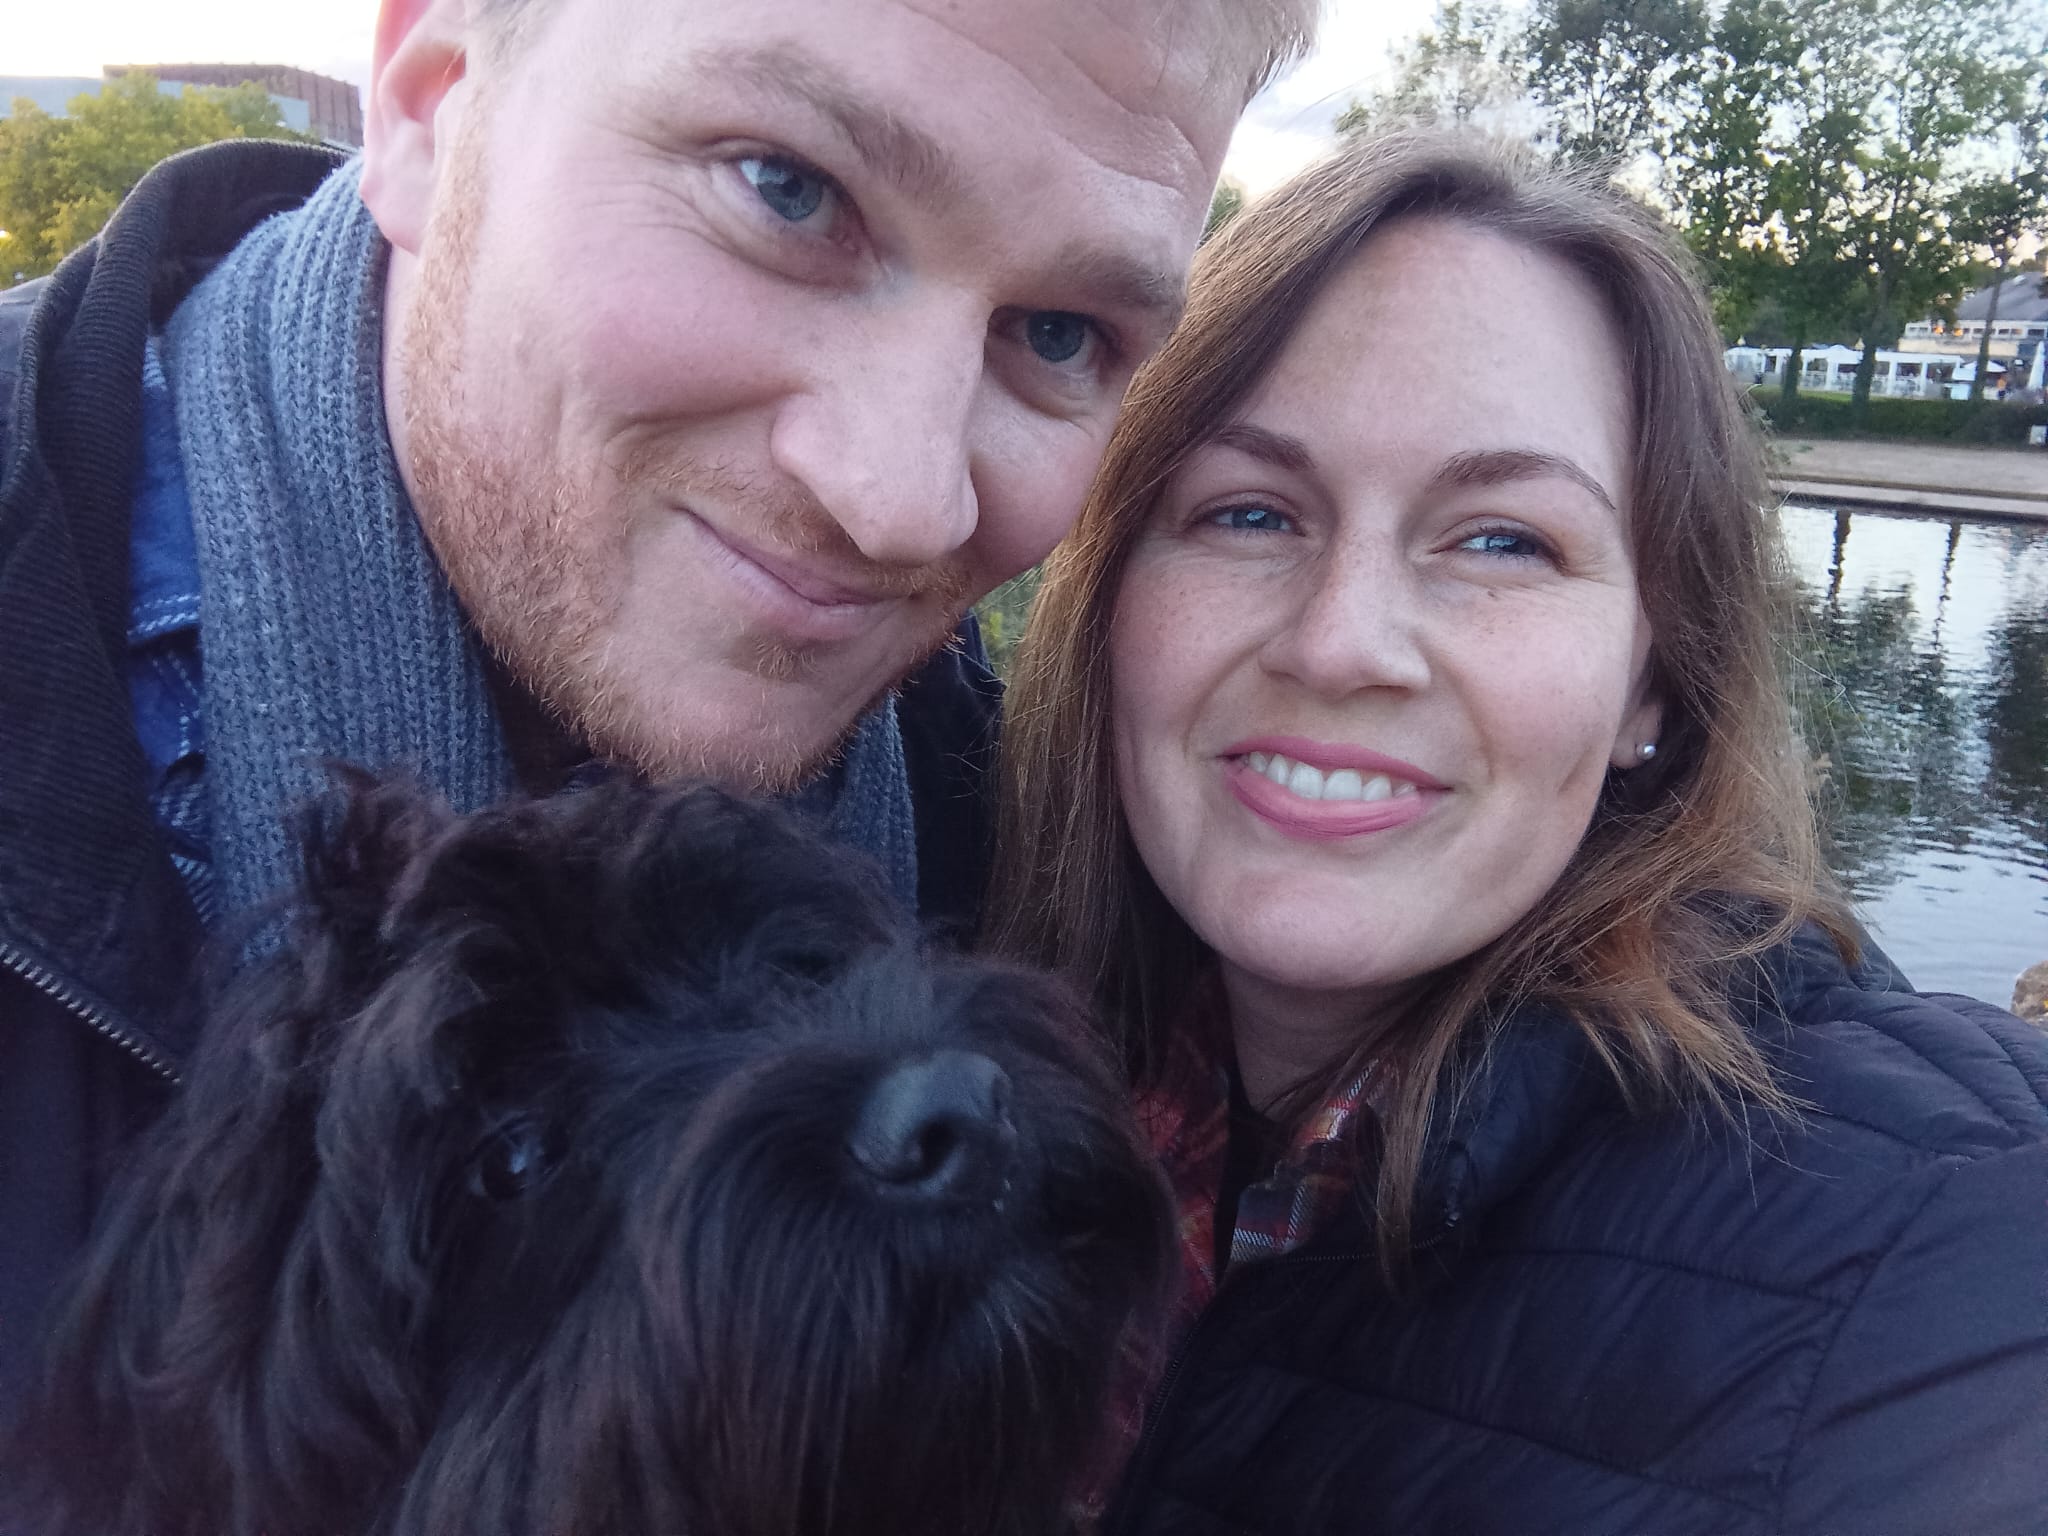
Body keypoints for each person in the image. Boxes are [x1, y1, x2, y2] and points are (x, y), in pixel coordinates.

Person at [0, 0, 1318, 1419]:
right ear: (429, 100)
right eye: (787, 189)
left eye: (1059, 334)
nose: (901, 496)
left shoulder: (998, 843)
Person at [994, 128, 2048, 1533]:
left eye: (1502, 539)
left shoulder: (1933, 1251)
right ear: (1112, 596)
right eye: (1249, 513)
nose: (1343, 640)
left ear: (1655, 680)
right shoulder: (987, 1078)